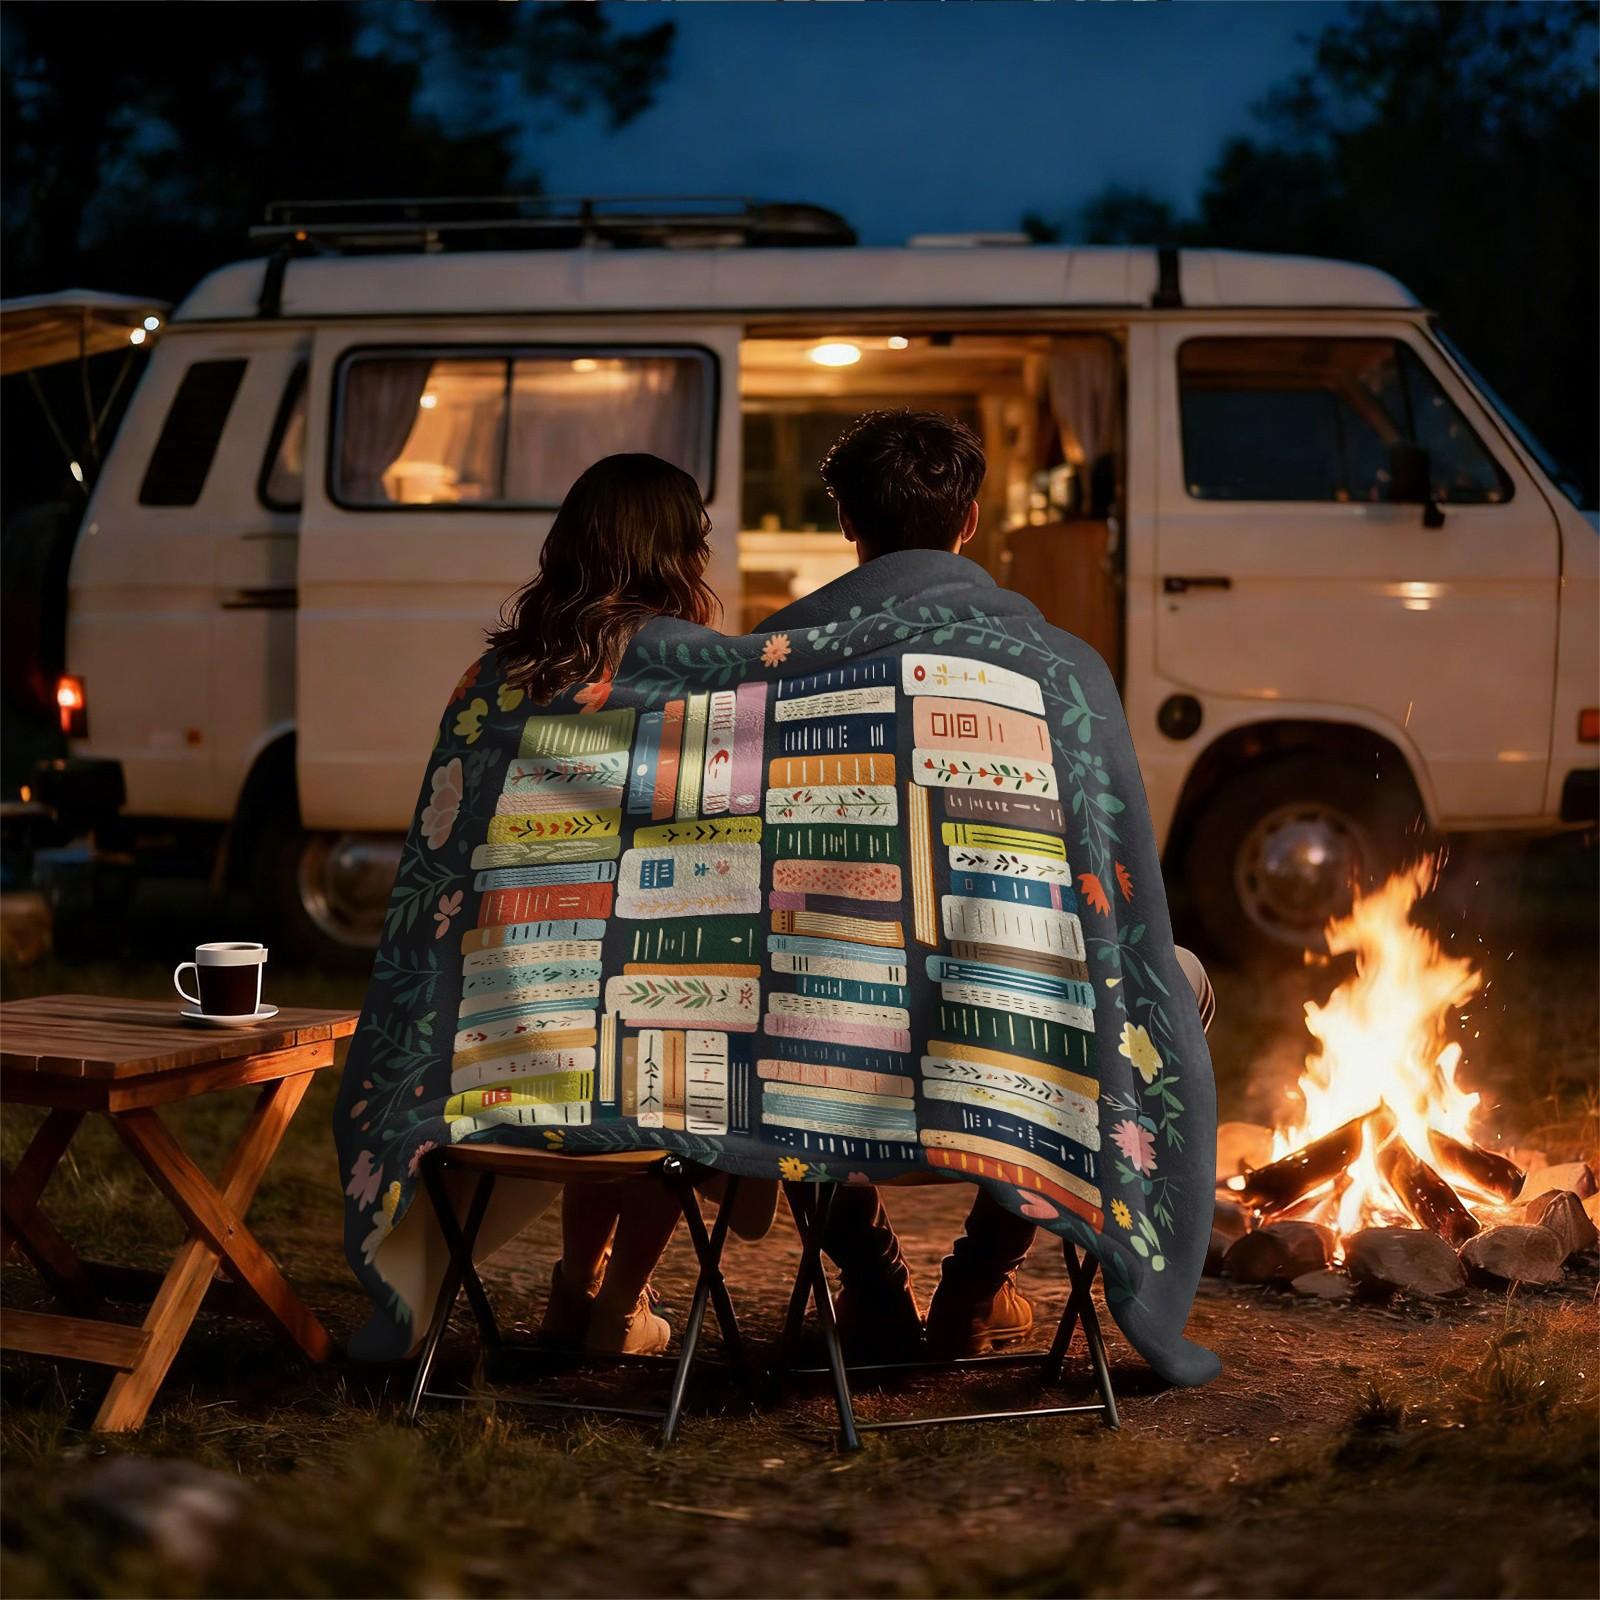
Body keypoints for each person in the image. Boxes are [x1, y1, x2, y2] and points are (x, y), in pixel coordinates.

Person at [808, 410, 1214, 1361]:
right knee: (1174, 978)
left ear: (845, 525)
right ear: (973, 521)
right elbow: (1117, 891)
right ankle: (977, 1288)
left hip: (817, 1068)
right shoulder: (1062, 673)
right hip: (1006, 1061)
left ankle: (870, 1285)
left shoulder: (771, 670)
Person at [483, 453, 721, 1356]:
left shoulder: (497, 676)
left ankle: (572, 1289)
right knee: (688, 1043)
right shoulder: (702, 672)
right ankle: (622, 1305)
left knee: (602, 1040)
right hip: (639, 1053)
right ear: (680, 550)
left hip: (502, 1045)